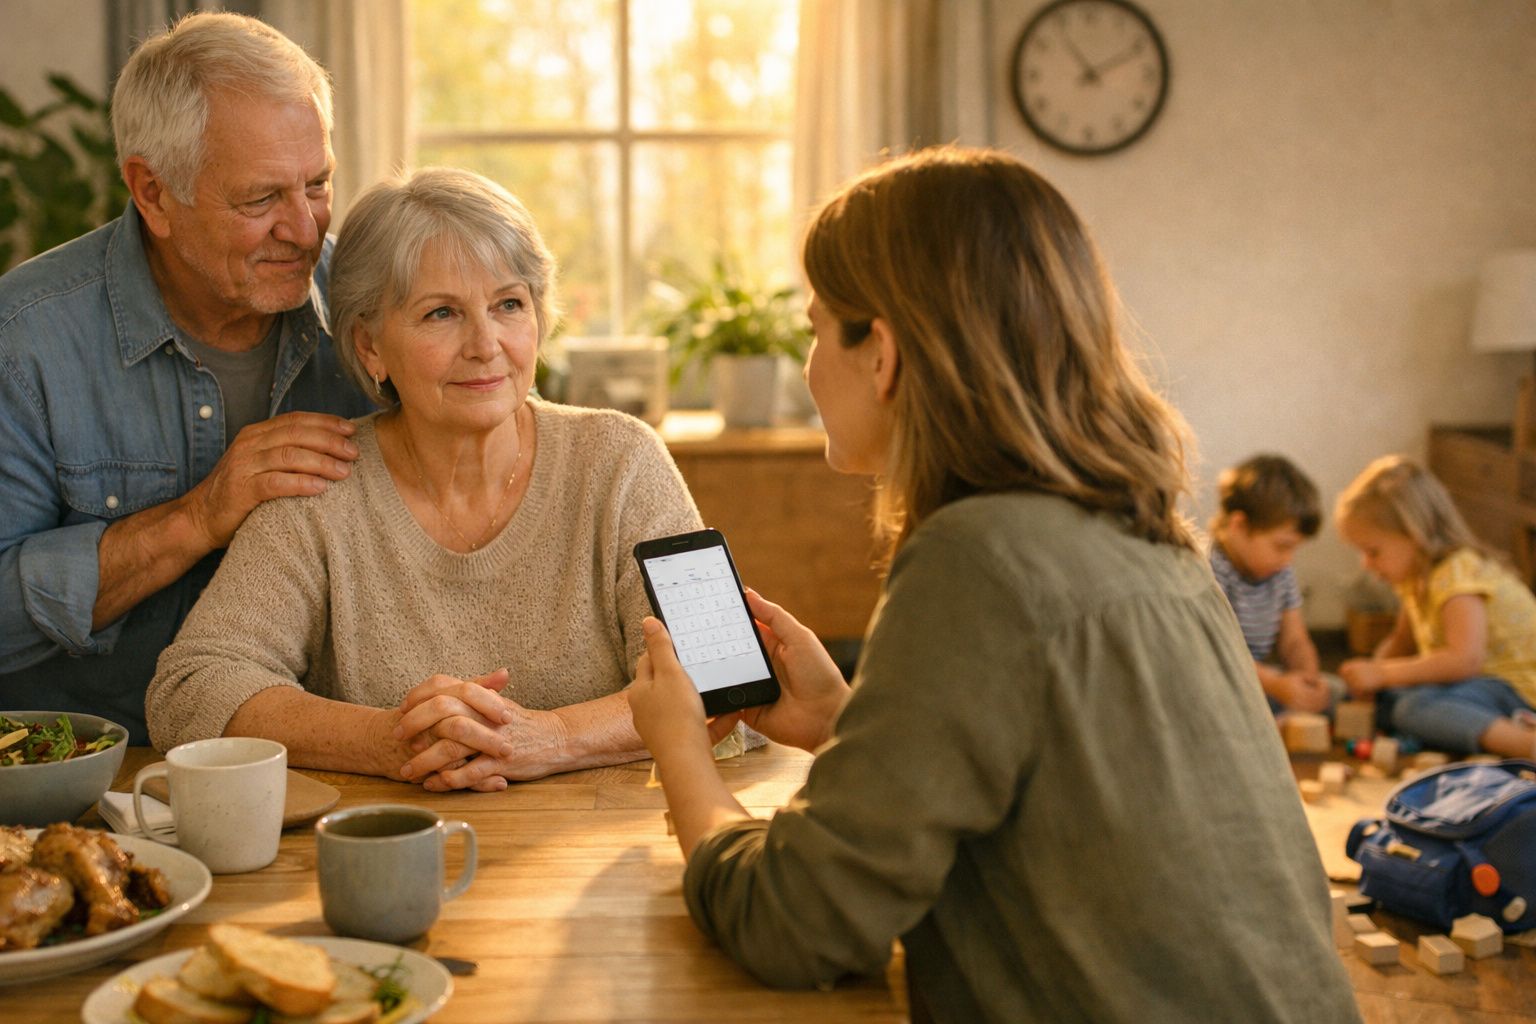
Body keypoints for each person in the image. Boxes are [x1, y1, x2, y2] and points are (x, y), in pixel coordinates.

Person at [627, 148, 1360, 1022]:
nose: (809, 365)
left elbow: (797, 920)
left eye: (817, 331)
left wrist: (678, 753)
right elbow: (1057, 804)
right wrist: (842, 724)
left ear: (883, 356)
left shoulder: (976, 556)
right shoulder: (1153, 538)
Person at [147, 167, 704, 790]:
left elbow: (721, 673)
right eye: (441, 313)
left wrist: (554, 738)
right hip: (382, 857)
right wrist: (388, 740)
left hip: (599, 863)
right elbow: (191, 690)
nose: (486, 343)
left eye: (509, 305)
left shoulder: (622, 459)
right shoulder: (321, 482)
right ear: (369, 347)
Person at [0, 12, 373, 742]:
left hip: (324, 758)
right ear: (154, 193)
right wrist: (198, 516)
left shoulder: (371, 304)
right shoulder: (23, 341)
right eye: (261, 198)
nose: (304, 229)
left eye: (319, 183)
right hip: (92, 774)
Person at [1336, 455, 1536, 758]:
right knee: (1394, 701)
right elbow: (1401, 642)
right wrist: (1370, 683)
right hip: (1477, 688)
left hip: (1518, 694)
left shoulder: (1454, 573)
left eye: (1373, 551)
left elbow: (1465, 660)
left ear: (1414, 535)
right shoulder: (1415, 578)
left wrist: (1382, 674)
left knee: (1414, 707)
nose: (1366, 564)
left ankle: (1526, 745)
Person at [1208, 453, 1342, 714]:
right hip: (1222, 682)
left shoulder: (1279, 571)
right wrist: (1275, 684)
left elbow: (1294, 641)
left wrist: (1308, 679)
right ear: (1239, 526)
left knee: (1334, 690)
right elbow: (1216, 653)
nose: (1287, 559)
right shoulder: (1209, 570)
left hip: (1263, 683)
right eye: (1282, 546)